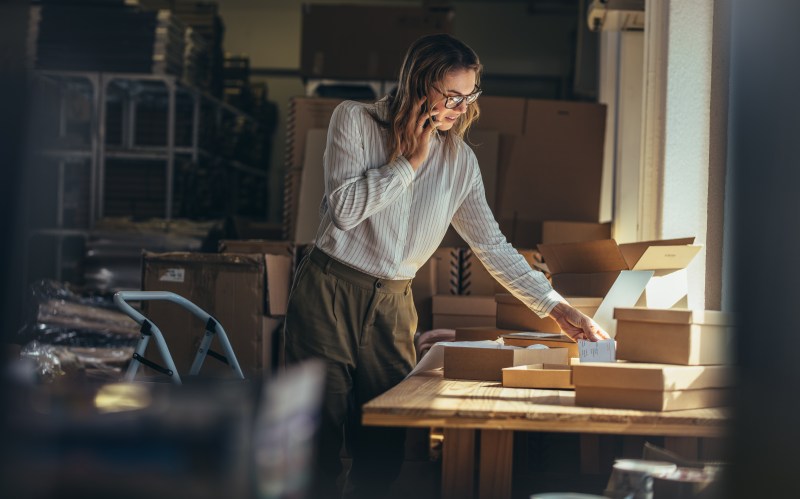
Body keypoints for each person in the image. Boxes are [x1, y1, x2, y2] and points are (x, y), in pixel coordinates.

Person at [283, 33, 610, 499]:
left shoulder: (460, 162)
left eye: (469, 95)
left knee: (384, 441)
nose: (461, 106)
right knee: (316, 434)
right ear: (419, 85)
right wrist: (410, 163)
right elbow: (344, 210)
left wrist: (556, 308)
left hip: (393, 305)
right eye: (451, 95)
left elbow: (492, 246)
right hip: (329, 290)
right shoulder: (354, 120)